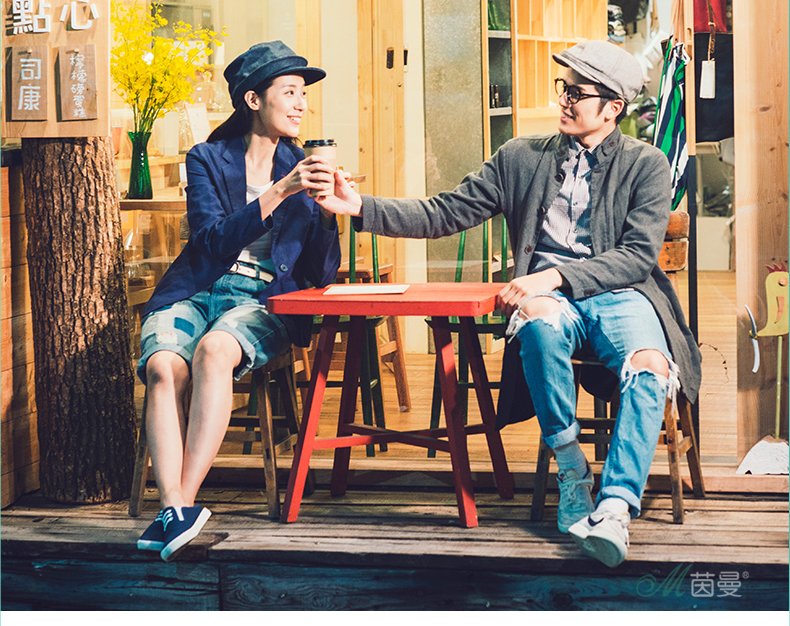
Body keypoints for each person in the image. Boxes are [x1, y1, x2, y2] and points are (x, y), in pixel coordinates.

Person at [323, 40, 701, 568]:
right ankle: (572, 472)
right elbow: (444, 212)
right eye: (564, 89)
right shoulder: (521, 157)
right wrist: (360, 206)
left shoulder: (647, 163)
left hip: (621, 294)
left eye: (578, 93)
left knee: (651, 366)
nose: (564, 100)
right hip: (548, 300)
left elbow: (637, 257)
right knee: (540, 324)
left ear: (613, 107)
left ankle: (615, 507)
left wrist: (555, 275)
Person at [135, 41, 346, 562]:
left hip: (263, 298)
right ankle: (177, 508)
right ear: (253, 99)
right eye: (289, 92)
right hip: (196, 288)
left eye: (303, 95)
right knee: (163, 367)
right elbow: (210, 241)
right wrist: (280, 191)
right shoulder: (207, 158)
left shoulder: (304, 166)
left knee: (214, 351)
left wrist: (327, 212)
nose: (300, 104)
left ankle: (176, 506)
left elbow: (321, 274)